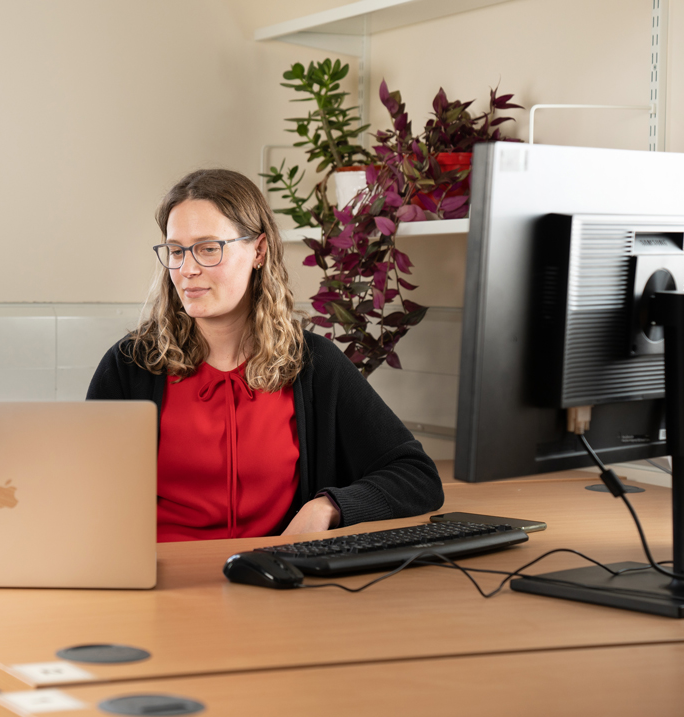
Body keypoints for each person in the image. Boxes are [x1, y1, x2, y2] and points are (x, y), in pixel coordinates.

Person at [87, 168, 443, 542]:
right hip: (160, 583)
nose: (187, 269)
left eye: (208, 248)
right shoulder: (131, 364)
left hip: (273, 579)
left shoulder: (313, 363)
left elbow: (417, 476)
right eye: (176, 251)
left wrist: (327, 507)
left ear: (258, 250)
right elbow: (84, 491)